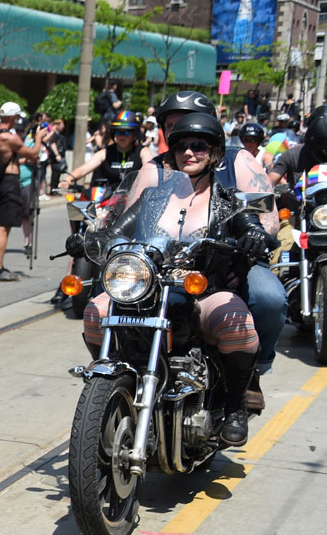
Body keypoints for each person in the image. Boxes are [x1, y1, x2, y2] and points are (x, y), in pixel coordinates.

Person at [79, 113, 263, 446]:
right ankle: (111, 384)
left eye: (199, 146)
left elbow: (250, 223)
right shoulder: (154, 197)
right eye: (181, 146)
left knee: (237, 325)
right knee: (95, 312)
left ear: (214, 153)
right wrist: (91, 237)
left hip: (203, 290)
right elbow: (118, 229)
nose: (189, 152)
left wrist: (254, 234)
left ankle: (235, 406)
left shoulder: (228, 200)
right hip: (147, 288)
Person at [147, 90, 285, 411]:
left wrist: (254, 241)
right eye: (172, 126)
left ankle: (252, 373)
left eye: (190, 125)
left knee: (269, 299)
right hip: (168, 264)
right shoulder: (156, 166)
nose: (184, 136)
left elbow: (266, 213)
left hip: (235, 257)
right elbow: (132, 208)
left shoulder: (237, 159)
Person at [0, 102, 46, 281]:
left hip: (0, 181)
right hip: (9, 182)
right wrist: (38, 138)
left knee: (3, 225)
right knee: (4, 227)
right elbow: (33, 154)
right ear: (13, 117)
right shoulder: (9, 137)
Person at [59, 111, 150, 193]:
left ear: (134, 134)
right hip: (108, 199)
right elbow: (84, 169)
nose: (122, 136)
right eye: (118, 132)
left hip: (136, 199)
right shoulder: (105, 153)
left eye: (127, 132)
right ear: (113, 133)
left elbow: (152, 173)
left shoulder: (143, 152)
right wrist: (68, 180)